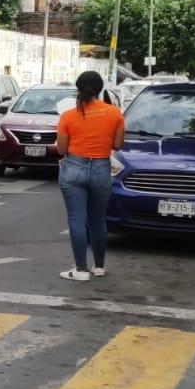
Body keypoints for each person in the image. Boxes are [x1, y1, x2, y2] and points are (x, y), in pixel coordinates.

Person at [54, 70, 125, 282]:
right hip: (101, 168)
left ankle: (81, 269)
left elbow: (61, 149)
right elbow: (118, 145)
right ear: (100, 88)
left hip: (74, 167)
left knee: (77, 220)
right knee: (98, 220)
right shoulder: (115, 113)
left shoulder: (68, 116)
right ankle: (100, 266)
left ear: (78, 89)